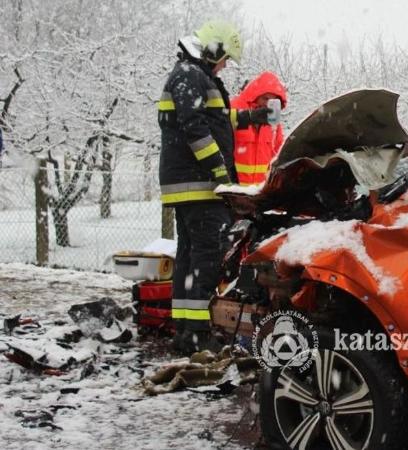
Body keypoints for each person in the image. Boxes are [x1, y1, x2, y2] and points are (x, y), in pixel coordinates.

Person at [157, 20, 270, 353]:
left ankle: (184, 330)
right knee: (207, 257)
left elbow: (217, 120)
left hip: (188, 185)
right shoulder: (191, 77)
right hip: (199, 185)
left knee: (190, 257)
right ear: (213, 50)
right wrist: (220, 173)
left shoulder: (193, 76)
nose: (225, 66)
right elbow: (196, 129)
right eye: (225, 59)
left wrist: (253, 118)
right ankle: (195, 334)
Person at [231, 72, 288, 185]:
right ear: (255, 96)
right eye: (265, 98)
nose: (267, 104)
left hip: (258, 193)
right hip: (233, 189)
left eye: (272, 101)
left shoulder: (274, 124)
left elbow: (279, 154)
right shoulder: (234, 109)